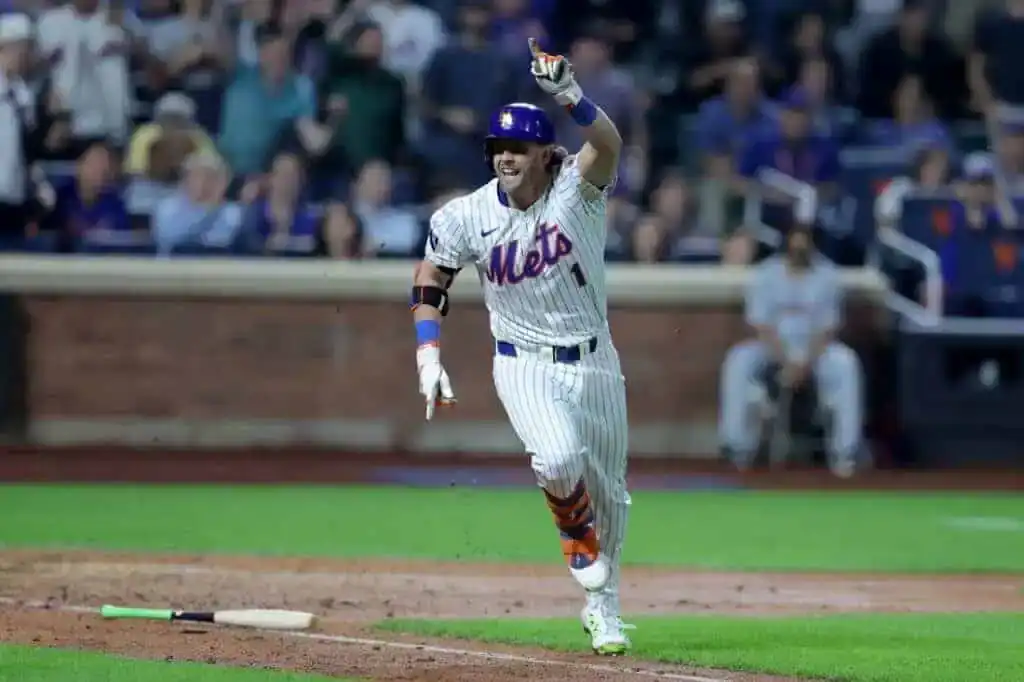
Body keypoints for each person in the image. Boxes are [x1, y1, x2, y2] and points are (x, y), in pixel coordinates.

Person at [409, 38, 631, 655]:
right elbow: (431, 278)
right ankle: (577, 544)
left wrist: (570, 95)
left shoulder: (577, 192)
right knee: (557, 461)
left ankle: (603, 608)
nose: (506, 157)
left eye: (518, 148)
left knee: (610, 495)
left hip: (597, 362)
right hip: (523, 362)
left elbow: (609, 145)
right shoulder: (465, 215)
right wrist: (428, 354)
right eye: (498, 148)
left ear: (543, 153)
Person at [718, 224, 865, 478]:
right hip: (773, 347)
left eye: (804, 245)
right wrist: (786, 361)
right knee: (738, 359)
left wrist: (804, 363)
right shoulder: (766, 274)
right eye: (795, 245)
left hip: (816, 349)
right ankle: (736, 446)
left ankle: (846, 450)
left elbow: (828, 329)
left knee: (846, 362)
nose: (799, 250)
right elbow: (762, 327)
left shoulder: (827, 275)